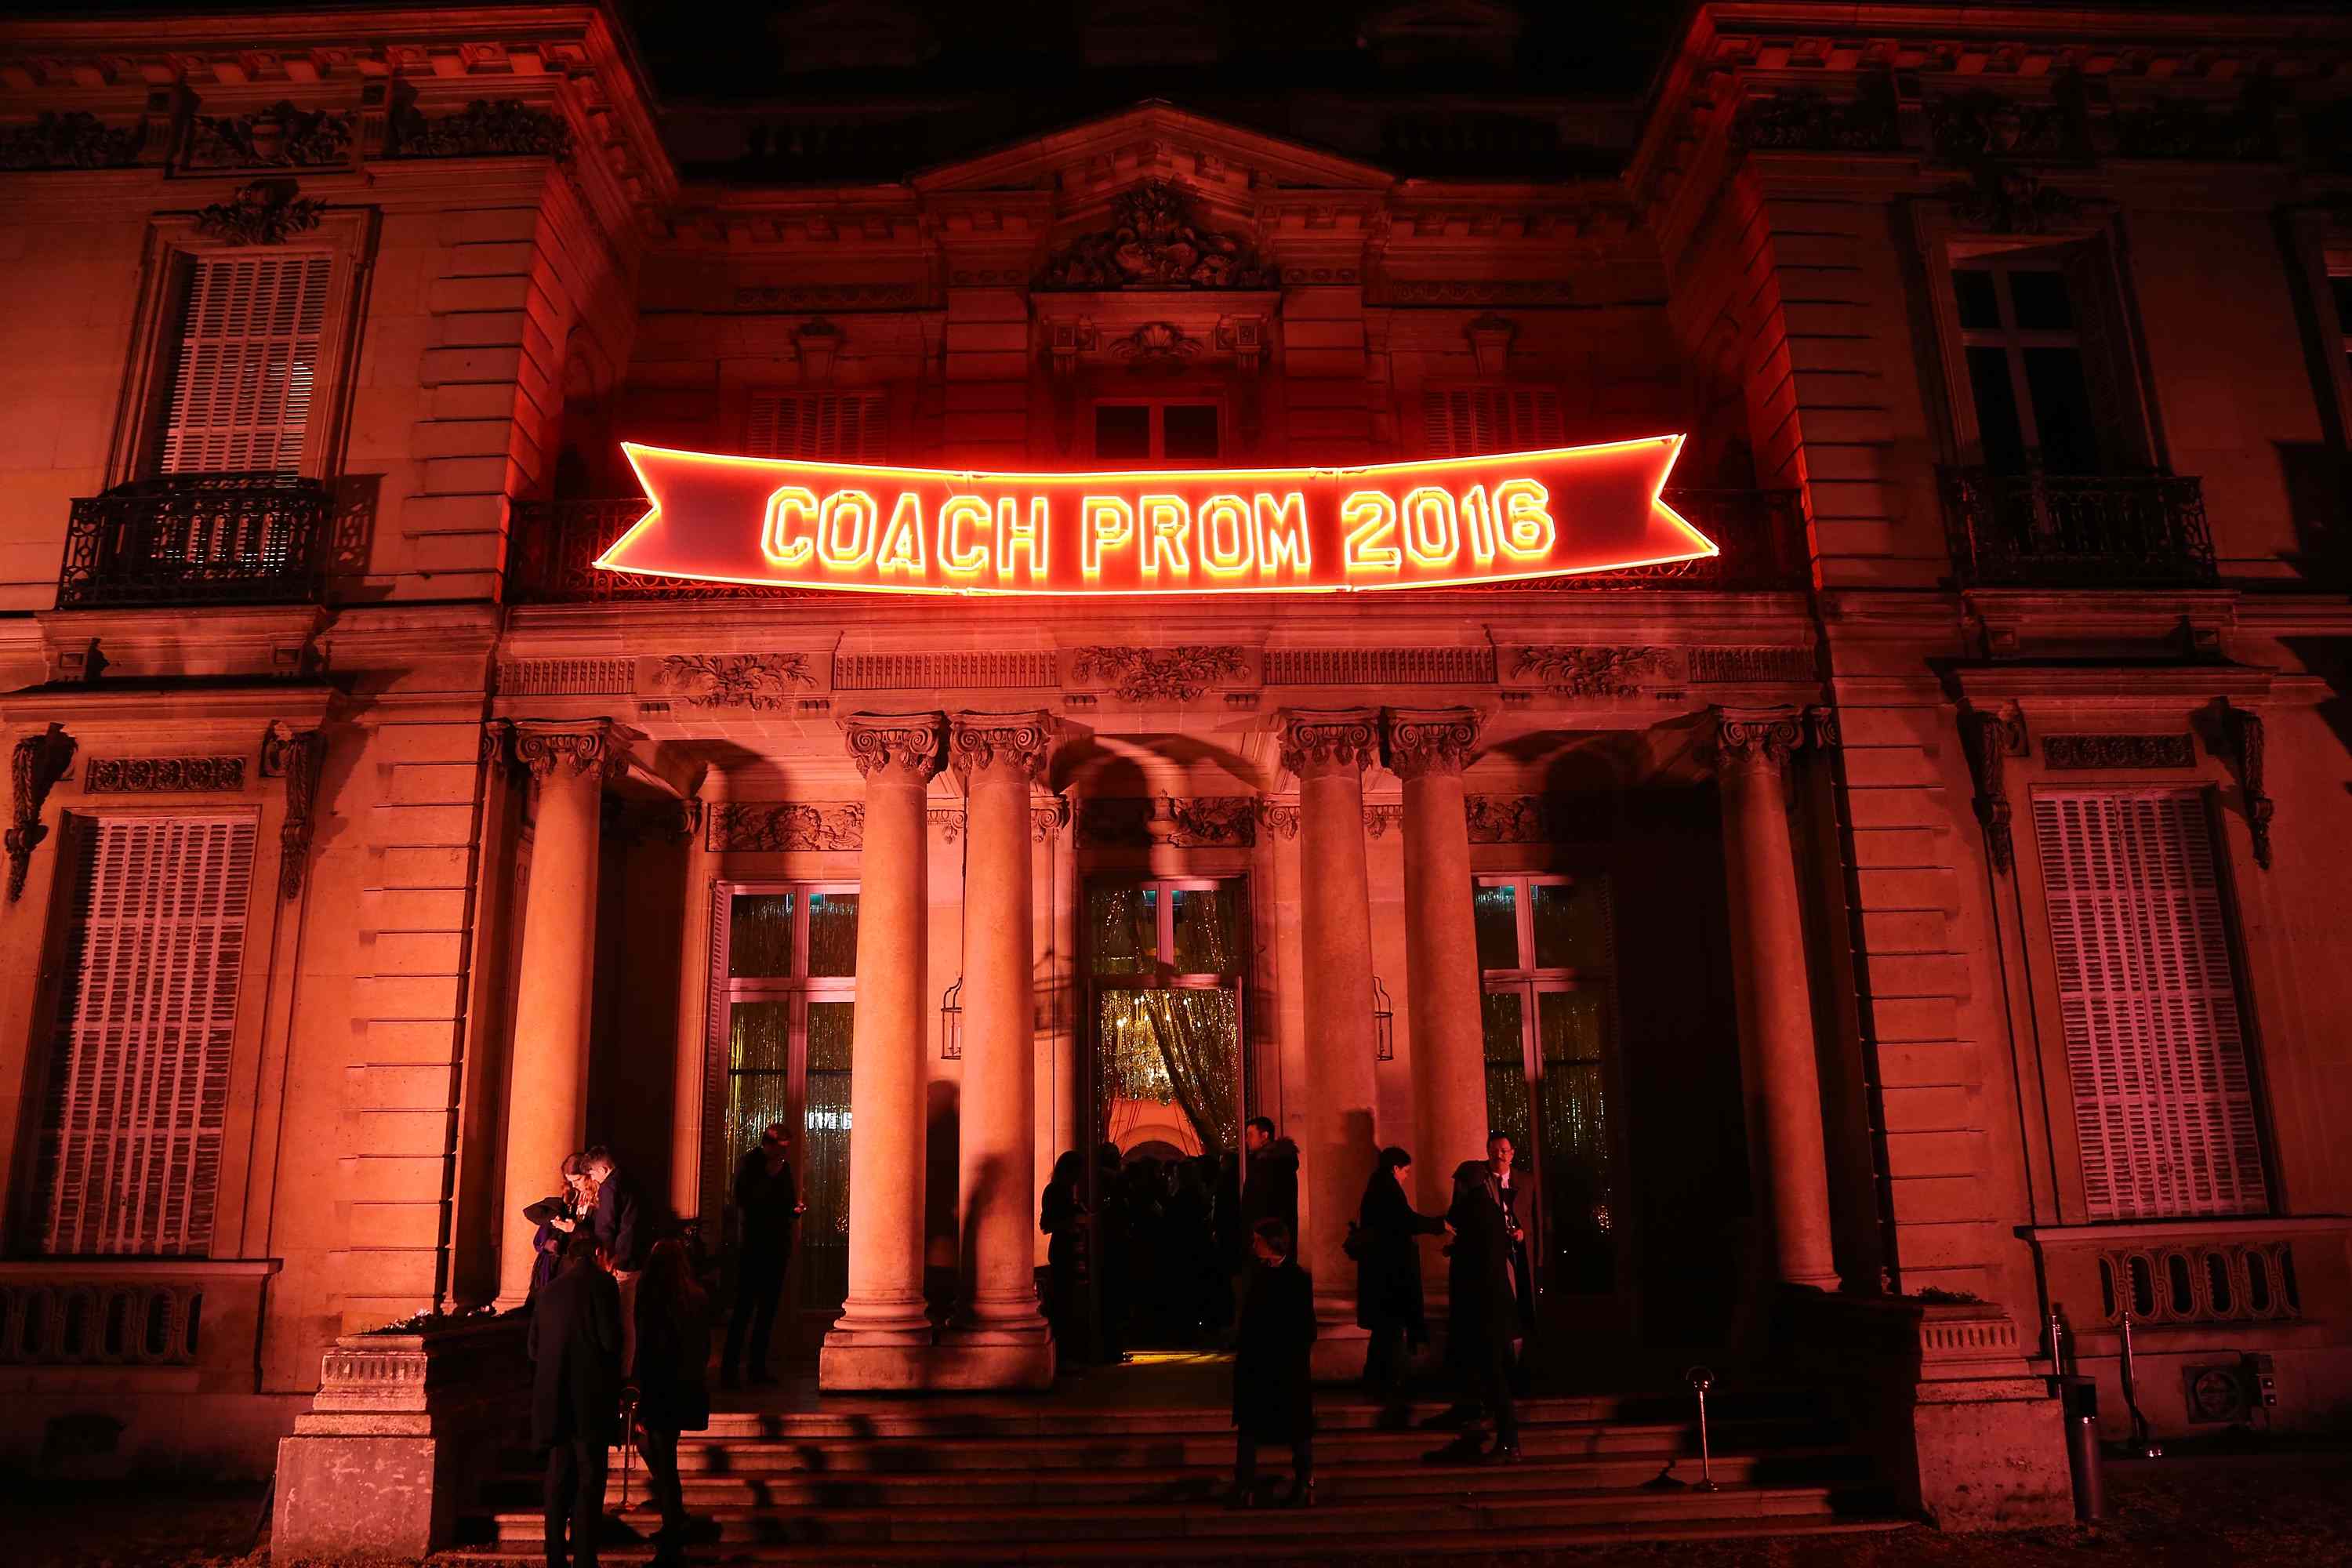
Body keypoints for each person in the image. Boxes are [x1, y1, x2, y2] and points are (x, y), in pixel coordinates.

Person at [530, 1232, 623, 1568]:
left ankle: (555, 1555)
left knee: (557, 1477)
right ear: (598, 1253)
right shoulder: (604, 1285)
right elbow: (611, 1342)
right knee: (589, 1477)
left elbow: (533, 1348)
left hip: (553, 1397)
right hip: (590, 1399)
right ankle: (585, 1556)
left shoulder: (548, 1291)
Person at [1427, 1158, 1522, 1465]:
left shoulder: (1472, 1210)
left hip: (1483, 1309)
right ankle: (1490, 1430)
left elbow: (1476, 1261)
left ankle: (1509, 1442)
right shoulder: (1491, 1210)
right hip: (1494, 1307)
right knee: (1490, 1373)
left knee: (1493, 1376)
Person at [1356, 1146, 1448, 1427]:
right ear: (1395, 1168)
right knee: (1390, 1332)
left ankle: (1376, 1382)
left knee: (1384, 1334)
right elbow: (1406, 1221)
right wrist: (1438, 1224)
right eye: (1406, 1171)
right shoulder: (1387, 1191)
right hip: (1390, 1277)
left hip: (1381, 1275)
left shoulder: (1377, 1189)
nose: (1407, 1176)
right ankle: (1385, 1384)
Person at [632, 1236, 713, 1557]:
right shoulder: (696, 1296)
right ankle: (675, 1515)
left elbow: (647, 1348)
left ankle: (673, 1520)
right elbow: (704, 1346)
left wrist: (638, 1392)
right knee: (665, 1453)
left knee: (659, 1454)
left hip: (660, 1384)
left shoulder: (651, 1299)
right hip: (685, 1384)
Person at [1230, 1218, 1316, 1508]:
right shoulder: (1263, 1277)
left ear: (1271, 1243)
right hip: (1266, 1364)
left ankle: (1301, 1483)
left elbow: (1305, 1328)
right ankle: (1247, 1486)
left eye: (1257, 1240)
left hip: (1280, 1364)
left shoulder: (1293, 1279)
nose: (1253, 1245)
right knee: (1256, 1427)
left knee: (1289, 1428)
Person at [721, 1123, 804, 1387]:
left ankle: (757, 1368)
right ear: (768, 1144)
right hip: (752, 1247)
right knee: (744, 1310)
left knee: (767, 1312)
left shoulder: (784, 1169)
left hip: (777, 1247)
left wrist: (795, 1210)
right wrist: (769, 1177)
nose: (783, 1156)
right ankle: (730, 1370)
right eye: (780, 1149)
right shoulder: (751, 1164)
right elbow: (746, 1201)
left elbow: (787, 1201)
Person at [583, 1145, 644, 1374]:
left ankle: (622, 1373)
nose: (593, 1178)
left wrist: (604, 1260)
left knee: (622, 1317)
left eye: (593, 1173)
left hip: (619, 1262)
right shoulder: (629, 1179)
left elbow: (606, 1227)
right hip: (632, 1258)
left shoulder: (610, 1187)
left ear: (604, 1168)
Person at [1486, 1129, 1537, 1385]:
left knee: (1522, 1309)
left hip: (1520, 1257)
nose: (1499, 1156)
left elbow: (1533, 1219)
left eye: (1504, 1151)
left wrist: (1523, 1234)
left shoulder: (1526, 1181)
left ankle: (1522, 1368)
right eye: (1494, 1151)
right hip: (1494, 1259)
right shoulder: (1479, 1181)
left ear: (1512, 1154)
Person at [523, 1152, 593, 1304]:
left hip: (586, 1259)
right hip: (567, 1256)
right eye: (570, 1181)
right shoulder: (573, 1196)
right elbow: (530, 1212)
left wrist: (574, 1228)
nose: (575, 1185)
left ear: (588, 1174)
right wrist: (556, 1220)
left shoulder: (598, 1196)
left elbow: (598, 1232)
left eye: (578, 1180)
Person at [1040, 1150, 1087, 1360]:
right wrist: (1073, 1222)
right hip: (1063, 1252)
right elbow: (1046, 1224)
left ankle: (1068, 1352)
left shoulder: (1067, 1191)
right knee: (1062, 1302)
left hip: (1071, 1251)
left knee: (1069, 1302)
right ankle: (1063, 1353)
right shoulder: (1055, 1191)